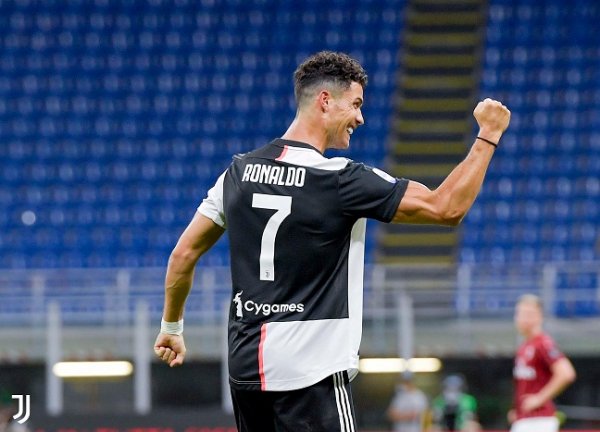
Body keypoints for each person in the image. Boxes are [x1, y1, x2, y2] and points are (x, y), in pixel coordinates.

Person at [153, 51, 511, 432]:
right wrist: (488, 135)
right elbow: (447, 207)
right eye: (355, 104)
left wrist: (171, 327)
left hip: (247, 372)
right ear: (325, 100)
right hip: (310, 373)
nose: (360, 117)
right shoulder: (338, 178)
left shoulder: (236, 173)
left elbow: (183, 253)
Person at [509, 294, 576, 432]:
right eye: (519, 314)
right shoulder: (524, 346)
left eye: (527, 314)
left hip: (539, 420)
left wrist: (539, 399)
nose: (521, 319)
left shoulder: (543, 344)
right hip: (525, 419)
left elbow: (566, 373)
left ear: (539, 316)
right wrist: (517, 408)